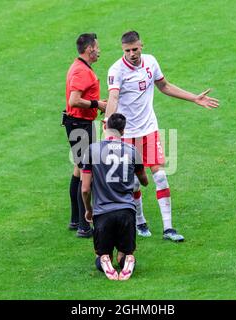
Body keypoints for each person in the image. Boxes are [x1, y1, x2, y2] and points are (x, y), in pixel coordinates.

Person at [105, 31, 219, 241]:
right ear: (123, 50)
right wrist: (109, 129)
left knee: (160, 176)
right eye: (127, 50)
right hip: (127, 134)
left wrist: (194, 98)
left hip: (149, 130)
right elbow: (112, 97)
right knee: (135, 183)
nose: (132, 54)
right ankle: (140, 222)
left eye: (135, 49)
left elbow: (164, 86)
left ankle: (168, 229)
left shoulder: (150, 62)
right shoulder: (116, 70)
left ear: (141, 46)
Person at [81, 113, 149, 280]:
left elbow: (85, 189)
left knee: (101, 255)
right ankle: (128, 258)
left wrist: (88, 210)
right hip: (126, 211)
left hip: (102, 213)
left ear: (105, 127)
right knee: (124, 254)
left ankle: (104, 259)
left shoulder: (92, 150)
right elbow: (145, 182)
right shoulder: (133, 151)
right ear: (123, 131)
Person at [63, 33, 107, 238]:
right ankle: (83, 225)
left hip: (76, 123)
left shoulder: (78, 66)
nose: (98, 50)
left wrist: (96, 103)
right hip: (80, 125)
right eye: (96, 47)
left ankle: (75, 220)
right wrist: (97, 104)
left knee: (78, 169)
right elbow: (74, 100)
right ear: (89, 49)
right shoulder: (82, 71)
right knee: (85, 171)